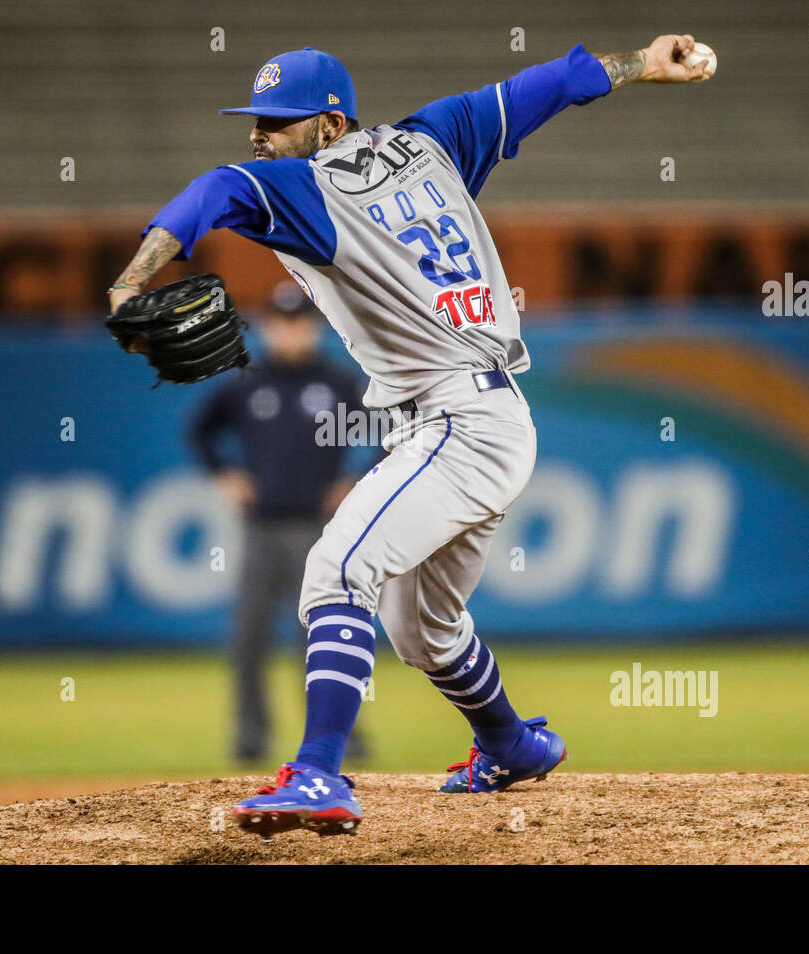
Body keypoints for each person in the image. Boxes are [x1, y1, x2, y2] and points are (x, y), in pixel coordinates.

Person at [107, 36, 711, 837]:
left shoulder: (306, 188)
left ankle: (318, 775)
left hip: (459, 422)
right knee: (419, 627)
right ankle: (510, 742)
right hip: (485, 419)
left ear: (328, 126)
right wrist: (641, 63)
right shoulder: (437, 137)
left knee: (336, 568)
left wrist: (129, 280)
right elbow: (552, 83)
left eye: (277, 121)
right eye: (255, 118)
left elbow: (215, 191)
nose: (259, 133)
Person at [189, 281, 369, 764]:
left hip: (319, 529)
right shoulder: (248, 383)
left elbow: (385, 432)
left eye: (299, 323)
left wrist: (355, 479)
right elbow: (200, 431)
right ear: (268, 327)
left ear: (313, 328)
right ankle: (251, 736)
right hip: (261, 528)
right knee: (247, 636)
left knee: (324, 636)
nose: (290, 332)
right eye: (281, 323)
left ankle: (341, 737)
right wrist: (224, 474)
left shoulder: (337, 383)